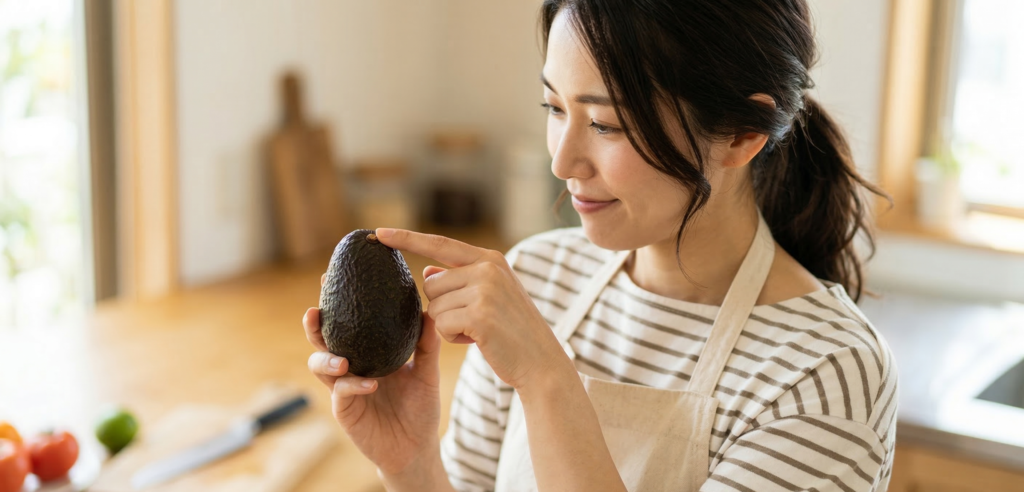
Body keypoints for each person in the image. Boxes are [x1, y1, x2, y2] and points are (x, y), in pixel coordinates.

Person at [303, 0, 897, 490]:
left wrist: (547, 379)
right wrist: (411, 465)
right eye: (554, 107)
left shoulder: (823, 374)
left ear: (742, 133)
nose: (562, 162)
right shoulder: (533, 280)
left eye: (606, 124)